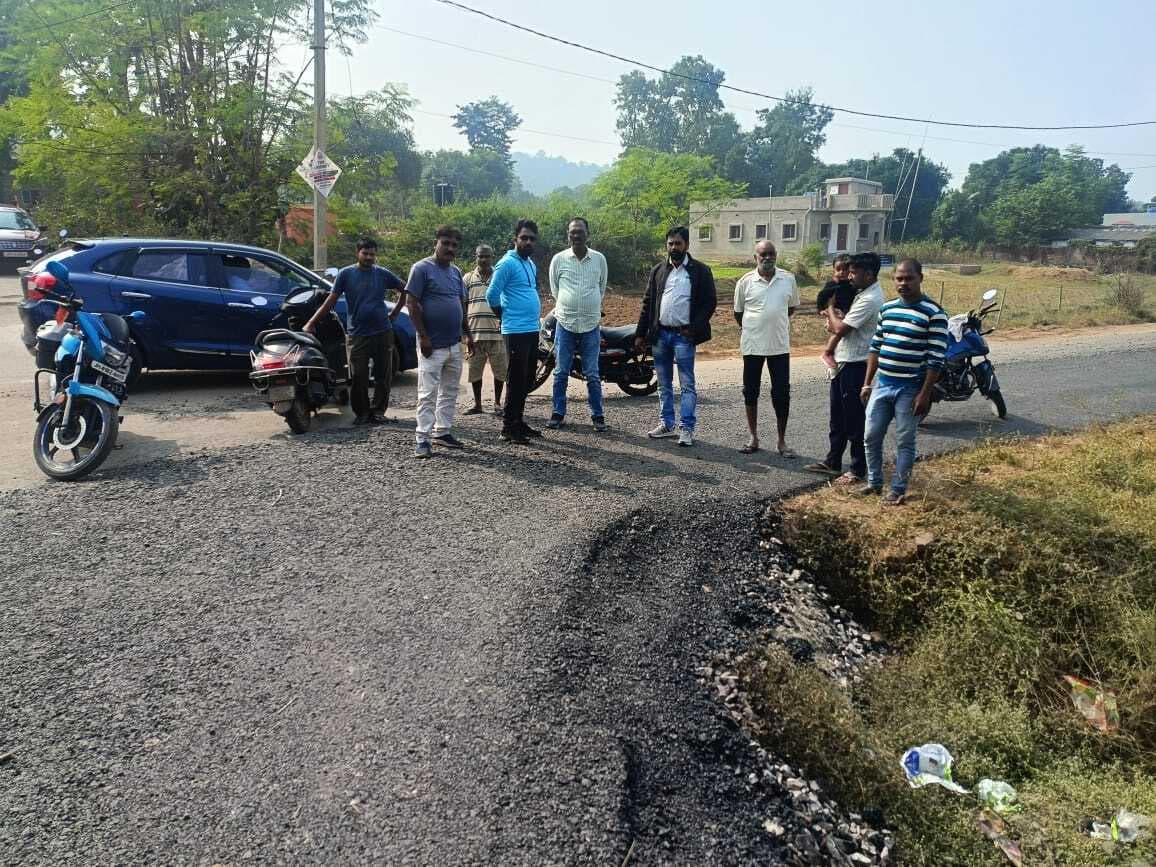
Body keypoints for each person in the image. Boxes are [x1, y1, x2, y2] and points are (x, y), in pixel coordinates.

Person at [860, 258, 948, 505]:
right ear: (894, 280)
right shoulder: (887, 310)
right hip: (883, 384)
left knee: (904, 440)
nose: (904, 283)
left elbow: (935, 359)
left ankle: (898, 489)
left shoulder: (934, 313)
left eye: (909, 278)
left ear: (921, 278)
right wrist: (867, 382)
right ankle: (874, 482)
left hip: (911, 389)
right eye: (899, 278)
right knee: (870, 435)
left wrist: (925, 393)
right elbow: (875, 348)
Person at [303, 237, 406, 426]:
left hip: (383, 331)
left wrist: (394, 314)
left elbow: (404, 290)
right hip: (358, 333)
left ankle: (378, 412)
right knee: (359, 376)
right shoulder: (346, 274)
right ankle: (362, 412)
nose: (369, 257)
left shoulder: (382, 274)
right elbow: (330, 301)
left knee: (383, 375)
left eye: (372, 254)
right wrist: (311, 323)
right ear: (357, 253)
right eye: (365, 253)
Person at [803, 251, 885, 484]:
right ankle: (833, 461)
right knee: (837, 416)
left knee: (854, 419)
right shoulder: (862, 294)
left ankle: (858, 469)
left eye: (854, 272)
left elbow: (841, 329)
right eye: (848, 271)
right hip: (843, 361)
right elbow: (839, 327)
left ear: (869, 274)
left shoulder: (870, 299)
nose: (849, 276)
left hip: (856, 364)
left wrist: (829, 308)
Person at [634, 226, 717, 447]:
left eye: (678, 243)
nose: (673, 247)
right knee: (663, 384)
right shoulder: (658, 271)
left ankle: (686, 429)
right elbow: (647, 303)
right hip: (661, 335)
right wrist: (640, 334)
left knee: (687, 384)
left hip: (684, 337)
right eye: (670, 243)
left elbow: (710, 303)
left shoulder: (700, 271)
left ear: (687, 245)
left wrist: (694, 328)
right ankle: (667, 424)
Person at [406, 225, 474, 459]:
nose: (450, 248)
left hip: (454, 344)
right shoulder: (421, 269)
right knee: (427, 393)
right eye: (446, 243)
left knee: (450, 390)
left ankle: (442, 431)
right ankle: (422, 439)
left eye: (455, 245)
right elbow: (411, 304)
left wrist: (469, 336)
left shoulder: (456, 273)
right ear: (436, 242)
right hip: (431, 345)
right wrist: (423, 336)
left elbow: (461, 307)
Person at [733, 240, 799, 456]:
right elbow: (739, 314)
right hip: (752, 347)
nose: (767, 258)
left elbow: (790, 309)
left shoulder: (788, 279)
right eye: (763, 254)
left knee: (781, 394)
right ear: (756, 257)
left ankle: (782, 442)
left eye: (771, 254)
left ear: (776, 255)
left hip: (779, 347)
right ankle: (753, 438)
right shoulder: (745, 282)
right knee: (750, 392)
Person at [547, 217, 609, 431]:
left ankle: (597, 415)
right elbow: (555, 289)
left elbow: (601, 288)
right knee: (561, 371)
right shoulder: (559, 259)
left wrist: (589, 306)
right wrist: (570, 304)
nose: (576, 235)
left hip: (591, 324)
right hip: (565, 323)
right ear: (568, 235)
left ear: (587, 234)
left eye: (580, 231)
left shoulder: (599, 259)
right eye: (572, 232)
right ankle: (557, 413)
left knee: (592, 373)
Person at [486, 219, 542, 445]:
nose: (528, 242)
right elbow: (492, 295)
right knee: (516, 379)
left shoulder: (530, 263)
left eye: (532, 239)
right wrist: (504, 317)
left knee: (528, 378)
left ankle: (518, 421)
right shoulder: (506, 263)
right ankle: (508, 427)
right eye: (524, 238)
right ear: (515, 239)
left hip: (531, 329)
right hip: (515, 331)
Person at [462, 244, 507, 417]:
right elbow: (463, 305)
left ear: (492, 257)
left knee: (500, 370)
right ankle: (478, 404)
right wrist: (465, 334)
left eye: (487, 256)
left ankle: (497, 403)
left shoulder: (499, 276)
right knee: (475, 371)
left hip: (497, 334)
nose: (484, 260)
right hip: (474, 334)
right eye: (480, 256)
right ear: (476, 257)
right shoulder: (467, 278)